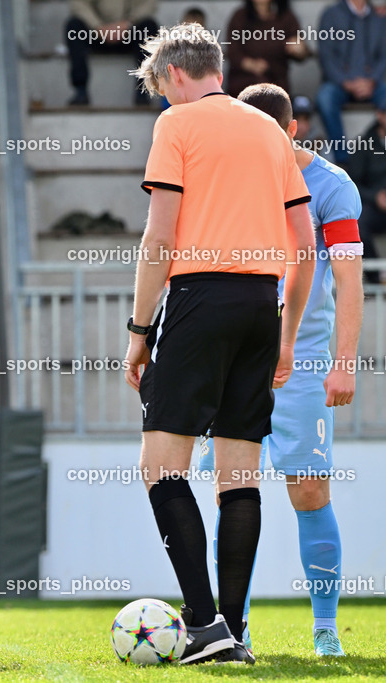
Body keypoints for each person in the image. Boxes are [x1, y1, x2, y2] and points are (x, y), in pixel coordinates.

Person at [125, 23, 315, 665]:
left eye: (160, 90)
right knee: (240, 476)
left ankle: (205, 624)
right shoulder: (269, 128)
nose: (163, 102)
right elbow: (304, 243)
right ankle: (229, 631)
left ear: (174, 74)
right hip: (263, 304)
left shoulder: (176, 126)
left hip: (201, 299)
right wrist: (284, 334)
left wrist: (138, 329)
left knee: (160, 466)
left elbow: (160, 238)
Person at [197, 82, 363, 659]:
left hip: (307, 365)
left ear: (293, 131)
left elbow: (348, 282)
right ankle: (230, 626)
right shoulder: (228, 180)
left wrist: (343, 364)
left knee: (310, 491)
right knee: (231, 491)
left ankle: (325, 628)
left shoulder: (331, 187)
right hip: (235, 357)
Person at [316, 0, 386, 165]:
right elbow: (325, 55)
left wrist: (372, 80)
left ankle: (380, 157)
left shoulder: (379, 16)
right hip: (339, 84)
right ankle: (343, 160)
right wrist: (344, 81)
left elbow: (384, 55)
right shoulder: (331, 14)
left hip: (372, 84)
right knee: (325, 98)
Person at [65, 0, 158, 106]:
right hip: (96, 33)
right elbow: (79, 5)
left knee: (149, 27)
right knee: (73, 26)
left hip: (129, 32)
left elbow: (148, 5)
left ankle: (143, 90)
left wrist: (127, 24)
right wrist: (98, 27)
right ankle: (80, 90)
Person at [225, 0, 309, 97]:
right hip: (244, 84)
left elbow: (301, 52)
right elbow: (233, 52)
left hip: (276, 84)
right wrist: (252, 65)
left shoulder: (285, 17)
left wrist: (299, 49)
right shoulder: (240, 17)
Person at [346, 107, 386, 282]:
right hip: (372, 206)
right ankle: (377, 278)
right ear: (380, 114)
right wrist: (375, 196)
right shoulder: (364, 144)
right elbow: (352, 182)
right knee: (357, 226)